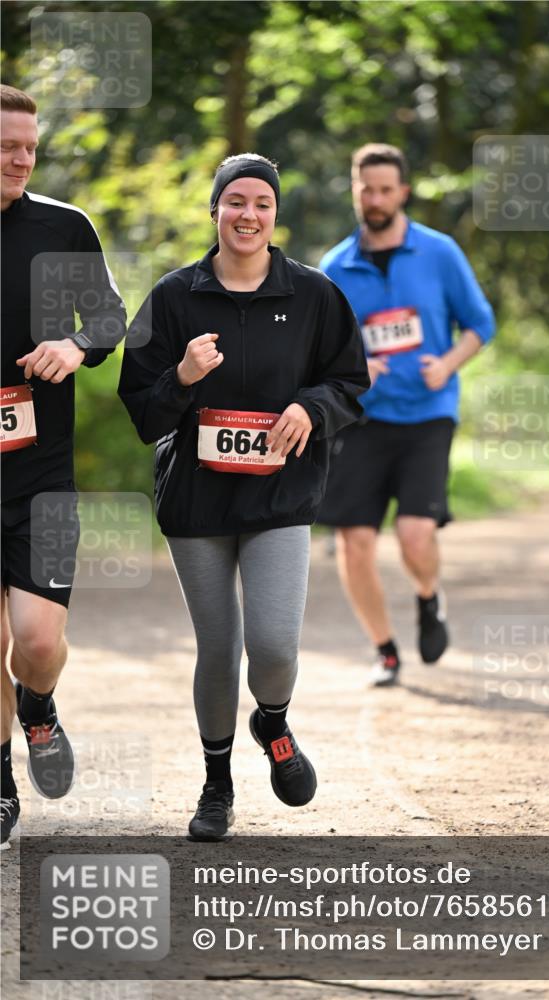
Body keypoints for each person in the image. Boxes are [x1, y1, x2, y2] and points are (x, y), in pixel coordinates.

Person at [118, 153, 369, 841]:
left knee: (274, 645)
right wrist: (182, 375)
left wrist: (312, 408)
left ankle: (274, 721)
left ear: (274, 214)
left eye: (261, 203)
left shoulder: (314, 296)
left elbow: (351, 383)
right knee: (219, 646)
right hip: (197, 502)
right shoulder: (173, 298)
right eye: (235, 202)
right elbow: (141, 413)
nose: (247, 215)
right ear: (214, 211)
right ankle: (216, 784)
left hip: (280, 497)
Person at [318, 143, 495, 687]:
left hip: (427, 414)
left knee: (416, 534)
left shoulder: (439, 253)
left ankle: (427, 595)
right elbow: (319, 349)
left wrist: (446, 364)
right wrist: (355, 367)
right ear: (354, 190)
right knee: (355, 540)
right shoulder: (333, 267)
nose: (374, 199)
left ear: (403, 193)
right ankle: (385, 650)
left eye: (385, 190)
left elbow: (480, 324)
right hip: (362, 421)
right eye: (365, 189)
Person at [1, 85, 126, 849]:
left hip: (41, 480)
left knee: (37, 641)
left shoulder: (62, 227)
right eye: (5, 146)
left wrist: (76, 347)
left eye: (28, 147)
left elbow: (111, 317)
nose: (20, 158)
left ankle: (38, 706)